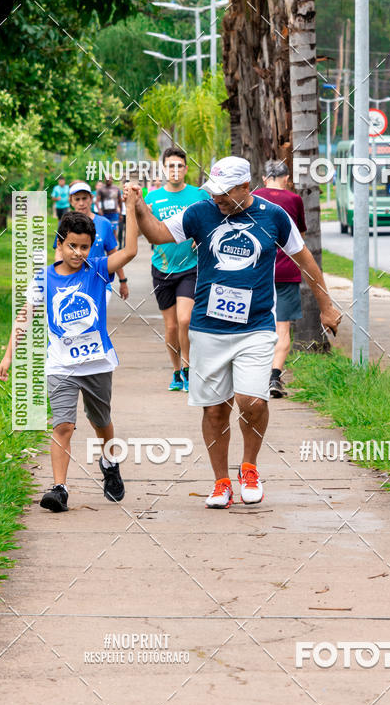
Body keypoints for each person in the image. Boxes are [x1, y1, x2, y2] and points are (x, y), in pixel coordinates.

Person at [132, 156, 341, 509]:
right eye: (214, 192)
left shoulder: (273, 216)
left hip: (255, 327)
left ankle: (249, 468)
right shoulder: (201, 212)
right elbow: (157, 234)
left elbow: (306, 261)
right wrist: (137, 205)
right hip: (208, 328)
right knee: (214, 410)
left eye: (224, 193)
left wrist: (327, 306)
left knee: (252, 401)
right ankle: (220, 482)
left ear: (245, 187)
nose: (217, 199)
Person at [0, 192, 141, 512]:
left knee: (101, 421)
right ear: (59, 244)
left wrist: (131, 209)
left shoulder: (98, 269)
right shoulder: (43, 278)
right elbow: (24, 316)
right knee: (63, 425)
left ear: (92, 247)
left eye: (84, 246)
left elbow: (130, 250)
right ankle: (59, 488)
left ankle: (109, 462)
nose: (78, 252)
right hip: (61, 363)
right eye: (72, 245)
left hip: (96, 362)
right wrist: (9, 354)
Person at [145, 147, 208, 392]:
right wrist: (143, 215)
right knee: (171, 326)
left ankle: (188, 367)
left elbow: (212, 221)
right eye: (170, 166)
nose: (175, 170)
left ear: (186, 169)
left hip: (190, 267)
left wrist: (200, 236)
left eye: (179, 166)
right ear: (163, 169)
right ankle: (176, 372)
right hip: (161, 268)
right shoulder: (152, 198)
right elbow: (143, 230)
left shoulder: (198, 196)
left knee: (186, 319)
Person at [254, 160, 307, 398]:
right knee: (282, 328)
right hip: (286, 272)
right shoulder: (294, 200)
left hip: (257, 271)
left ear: (265, 178)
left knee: (255, 326)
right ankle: (274, 377)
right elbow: (299, 238)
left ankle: (254, 375)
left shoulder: (254, 196)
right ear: (286, 178)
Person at [53, 182, 129, 302]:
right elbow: (59, 251)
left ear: (91, 199)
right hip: (73, 283)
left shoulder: (104, 223)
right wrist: (60, 278)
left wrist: (123, 280)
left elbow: (113, 255)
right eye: (77, 199)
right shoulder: (65, 223)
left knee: (94, 317)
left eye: (84, 198)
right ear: (71, 201)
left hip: (99, 283)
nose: (81, 203)